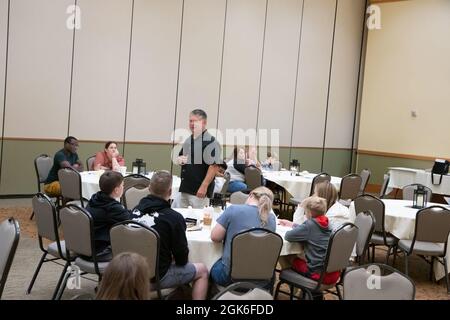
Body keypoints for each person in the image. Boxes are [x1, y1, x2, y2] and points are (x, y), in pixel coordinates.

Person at [133, 170, 209, 300]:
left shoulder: (134, 211)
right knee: (202, 270)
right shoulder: (173, 218)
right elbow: (182, 259)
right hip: (155, 278)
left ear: (149, 188)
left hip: (129, 273)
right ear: (170, 193)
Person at [210, 187, 277, 286]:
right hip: (262, 278)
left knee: (209, 264)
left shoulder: (233, 210)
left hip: (230, 277)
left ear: (251, 195)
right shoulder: (271, 219)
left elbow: (215, 237)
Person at [278, 196, 340, 287]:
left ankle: (295, 286)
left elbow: (288, 236)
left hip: (317, 274)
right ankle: (302, 291)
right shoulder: (328, 222)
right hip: (333, 272)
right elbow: (312, 231)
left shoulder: (309, 224)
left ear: (309, 213)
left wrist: (297, 227)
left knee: (284, 255)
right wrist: (293, 225)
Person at [86, 171, 137, 261]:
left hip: (87, 246)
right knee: (136, 245)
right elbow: (132, 220)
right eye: (122, 185)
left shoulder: (95, 198)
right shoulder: (112, 208)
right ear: (116, 190)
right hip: (100, 251)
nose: (123, 188)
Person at [176, 109, 222, 208]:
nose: (192, 124)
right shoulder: (189, 139)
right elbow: (181, 157)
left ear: (204, 123)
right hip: (185, 187)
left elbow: (214, 166)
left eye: (195, 121)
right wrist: (180, 160)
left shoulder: (211, 142)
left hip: (199, 190)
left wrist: (204, 186)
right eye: (190, 121)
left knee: (197, 220)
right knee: (182, 219)